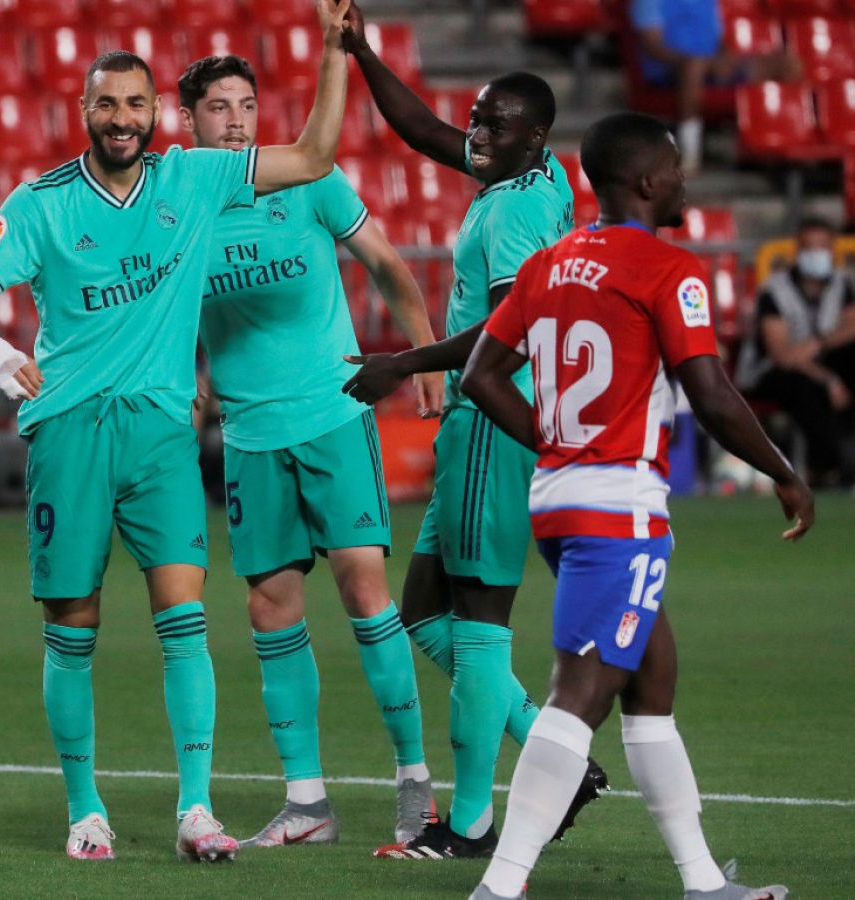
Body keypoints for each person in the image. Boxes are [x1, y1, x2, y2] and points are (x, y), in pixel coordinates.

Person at [0, 0, 354, 863]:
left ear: (154, 113)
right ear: (83, 113)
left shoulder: (193, 179)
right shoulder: (41, 203)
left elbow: (316, 155)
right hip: (70, 432)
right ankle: (86, 810)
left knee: (185, 617)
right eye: (106, 105)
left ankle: (196, 811)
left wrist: (330, 49)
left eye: (135, 104)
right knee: (73, 624)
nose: (123, 119)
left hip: (163, 433)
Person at [462, 109, 813, 900]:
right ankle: (501, 886)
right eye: (678, 165)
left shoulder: (548, 264)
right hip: (619, 505)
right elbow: (712, 394)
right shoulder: (667, 268)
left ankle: (700, 880)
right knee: (580, 690)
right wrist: (785, 471)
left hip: (559, 500)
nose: (686, 178)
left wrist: (557, 442)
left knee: (652, 685)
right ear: (649, 179)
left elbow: (479, 375)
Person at [339, 1, 608, 859]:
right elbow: (421, 128)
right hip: (475, 426)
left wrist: (403, 363)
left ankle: (469, 824)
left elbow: (509, 332)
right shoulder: (536, 176)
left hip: (497, 419)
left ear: (534, 138)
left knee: (482, 619)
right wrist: (362, 49)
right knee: (423, 610)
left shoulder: (509, 215)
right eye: (479, 116)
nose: (476, 130)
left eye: (495, 123)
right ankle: (552, 753)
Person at [177, 53, 444, 848]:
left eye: (246, 103)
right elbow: (165, 299)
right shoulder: (181, 203)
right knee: (270, 607)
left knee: (365, 587)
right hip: (251, 436)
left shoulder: (308, 182)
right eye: (218, 106)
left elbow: (389, 265)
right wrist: (186, 370)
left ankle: (416, 785)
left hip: (332, 414)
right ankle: (307, 802)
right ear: (188, 121)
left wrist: (425, 354)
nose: (235, 118)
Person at [736, 217, 855, 488]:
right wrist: (829, 379)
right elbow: (782, 356)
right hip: (769, 373)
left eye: (824, 247)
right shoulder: (775, 291)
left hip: (821, 363)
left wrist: (820, 343)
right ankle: (827, 469)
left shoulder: (840, 284)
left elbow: (852, 326)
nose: (818, 255)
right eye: (811, 248)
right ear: (798, 252)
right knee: (806, 389)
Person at [629, 0, 800, 174]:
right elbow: (652, 44)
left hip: (710, 65)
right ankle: (689, 153)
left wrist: (726, 57)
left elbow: (718, 40)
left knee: (788, 64)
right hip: (670, 69)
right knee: (694, 68)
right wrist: (692, 62)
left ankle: (782, 146)